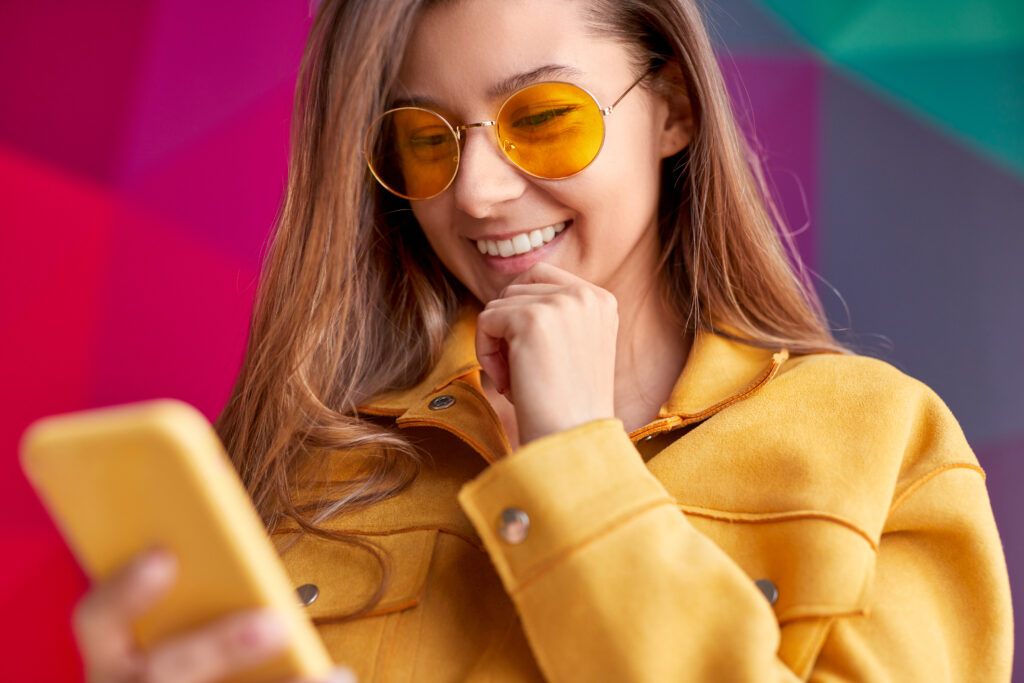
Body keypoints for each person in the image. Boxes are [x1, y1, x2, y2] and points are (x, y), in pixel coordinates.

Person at [71, 0, 1014, 681]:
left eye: (545, 118)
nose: (477, 194)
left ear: (674, 107)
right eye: (427, 139)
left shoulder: (884, 446)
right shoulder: (313, 468)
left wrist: (576, 466)